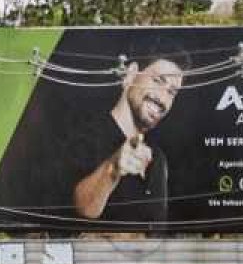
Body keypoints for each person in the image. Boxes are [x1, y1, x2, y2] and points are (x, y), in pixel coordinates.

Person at [69, 53, 187, 227]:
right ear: (131, 74)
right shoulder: (80, 133)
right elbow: (79, 209)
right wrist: (113, 169)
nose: (163, 99)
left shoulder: (158, 159)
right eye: (158, 81)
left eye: (171, 92)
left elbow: (157, 235)